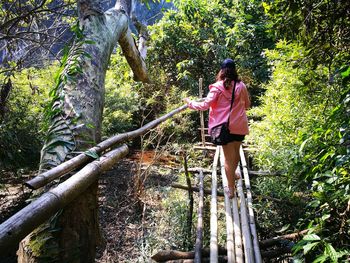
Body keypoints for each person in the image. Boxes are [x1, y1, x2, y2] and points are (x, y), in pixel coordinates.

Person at [184, 58, 250, 199]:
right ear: (234, 71)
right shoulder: (241, 86)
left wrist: (190, 103)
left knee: (227, 159)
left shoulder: (217, 87)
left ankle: (230, 190)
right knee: (236, 153)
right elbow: (247, 105)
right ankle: (234, 173)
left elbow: (205, 105)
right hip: (239, 125)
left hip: (224, 128)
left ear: (221, 71)